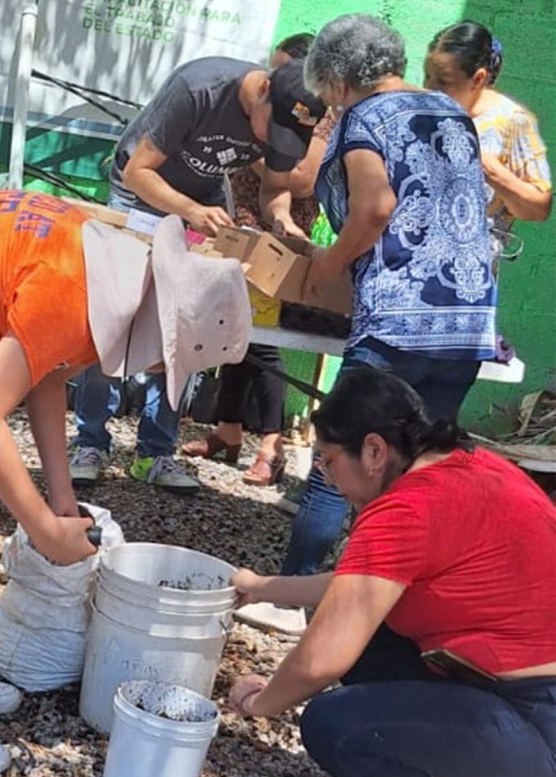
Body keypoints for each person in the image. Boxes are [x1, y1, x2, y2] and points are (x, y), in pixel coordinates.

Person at [0, 190, 249, 776]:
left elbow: (45, 377)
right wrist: (42, 529)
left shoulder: (115, 275)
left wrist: (60, 500)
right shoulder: (73, 291)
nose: (156, 370)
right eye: (165, 361)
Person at [229, 367, 555, 777]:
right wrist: (262, 587)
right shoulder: (465, 468)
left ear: (374, 450)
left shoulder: (403, 510)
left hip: (539, 721)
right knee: (373, 632)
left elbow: (322, 660)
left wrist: (263, 702)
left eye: (330, 461)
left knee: (333, 726)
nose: (328, 477)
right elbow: (360, 589)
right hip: (516, 689)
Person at [280, 14, 497, 576]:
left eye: (326, 90)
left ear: (339, 79)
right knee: (422, 467)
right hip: (468, 320)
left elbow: (375, 209)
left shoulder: (365, 119)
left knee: (343, 455)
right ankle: (392, 585)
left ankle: (297, 584)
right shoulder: (453, 111)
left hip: (399, 322)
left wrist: (327, 265)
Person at [68, 57, 326, 494]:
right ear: (263, 88)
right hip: (140, 194)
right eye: (272, 129)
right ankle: (90, 441)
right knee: (117, 317)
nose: (268, 141)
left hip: (201, 203)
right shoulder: (199, 88)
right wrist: (188, 210)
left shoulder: (284, 116)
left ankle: (155, 451)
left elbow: (275, 187)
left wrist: (282, 221)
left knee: (182, 326)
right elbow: (138, 170)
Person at [183, 32, 332, 486]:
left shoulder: (319, 117)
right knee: (233, 329)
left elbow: (302, 179)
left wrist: (246, 146)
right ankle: (228, 429)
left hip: (277, 233)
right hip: (238, 222)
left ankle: (271, 443)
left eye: (283, 72)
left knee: (263, 338)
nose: (269, 82)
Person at [424, 21, 551, 242]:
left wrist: (493, 172)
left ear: (479, 79)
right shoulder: (420, 112)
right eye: (427, 76)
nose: (430, 89)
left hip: (468, 268)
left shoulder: (513, 122)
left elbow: (538, 208)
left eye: (444, 81)